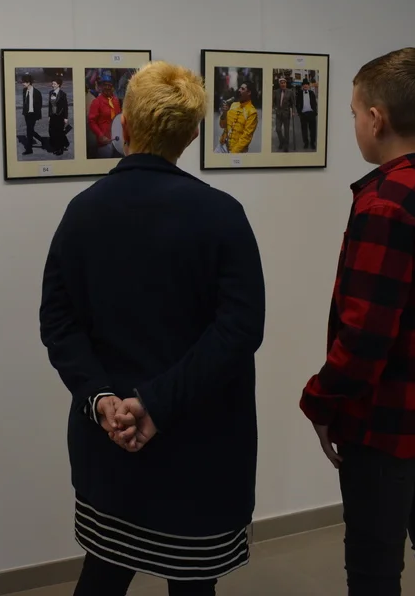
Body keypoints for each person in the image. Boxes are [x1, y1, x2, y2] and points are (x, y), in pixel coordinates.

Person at [41, 61, 265, 596]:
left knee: (103, 573)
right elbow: (239, 331)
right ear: (192, 135)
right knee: (192, 585)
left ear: (125, 121)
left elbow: (58, 322)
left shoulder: (83, 211)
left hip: (110, 442)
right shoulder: (222, 215)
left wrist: (102, 400)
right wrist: (155, 404)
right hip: (199, 447)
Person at [300, 47, 415, 596]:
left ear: (376, 118)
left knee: (374, 563)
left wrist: (320, 401)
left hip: (386, 415)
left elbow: (365, 335)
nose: (355, 124)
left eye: (354, 113)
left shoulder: (385, 204)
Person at [219, 81, 259, 153]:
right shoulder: (233, 105)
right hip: (222, 146)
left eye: (242, 89)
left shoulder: (252, 112)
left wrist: (233, 153)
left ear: (249, 92)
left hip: (236, 151)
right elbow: (222, 125)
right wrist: (224, 113)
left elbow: (246, 137)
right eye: (240, 88)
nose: (239, 90)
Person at [86, 78, 121, 159]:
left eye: (110, 85)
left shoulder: (116, 100)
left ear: (113, 88)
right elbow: (92, 121)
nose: (107, 87)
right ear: (101, 87)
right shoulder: (97, 102)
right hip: (104, 141)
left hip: (117, 139)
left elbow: (118, 118)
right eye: (105, 85)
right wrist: (100, 135)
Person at [21, 74, 47, 155]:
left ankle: (29, 149)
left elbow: (39, 105)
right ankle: (43, 140)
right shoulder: (24, 91)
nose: (22, 84)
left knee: (29, 131)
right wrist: (25, 111)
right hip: (27, 114)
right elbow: (25, 102)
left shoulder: (37, 92)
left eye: (24, 82)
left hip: (33, 114)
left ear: (29, 83)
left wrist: (36, 115)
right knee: (30, 130)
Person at [47, 77, 70, 156]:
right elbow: (50, 105)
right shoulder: (51, 93)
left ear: (58, 85)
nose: (52, 85)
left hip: (60, 116)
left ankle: (60, 149)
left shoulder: (62, 94)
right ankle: (60, 144)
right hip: (52, 115)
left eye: (54, 84)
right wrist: (49, 115)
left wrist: (66, 117)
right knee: (52, 131)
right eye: (52, 84)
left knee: (59, 133)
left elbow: (65, 106)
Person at [272, 76, 293, 152]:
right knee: (278, 129)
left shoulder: (290, 92)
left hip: (286, 113)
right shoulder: (276, 92)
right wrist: (274, 108)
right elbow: (273, 101)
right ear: (279, 84)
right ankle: (281, 141)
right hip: (278, 113)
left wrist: (293, 111)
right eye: (281, 83)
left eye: (284, 83)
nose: (283, 84)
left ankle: (286, 145)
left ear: (286, 83)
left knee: (286, 131)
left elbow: (293, 103)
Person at [297, 79, 318, 150]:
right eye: (304, 84)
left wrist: (314, 112)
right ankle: (306, 143)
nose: (305, 85)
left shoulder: (312, 93)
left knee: (313, 130)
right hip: (303, 114)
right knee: (304, 130)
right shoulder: (299, 93)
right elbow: (297, 104)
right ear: (302, 86)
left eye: (306, 84)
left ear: (308, 86)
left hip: (311, 113)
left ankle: (312, 143)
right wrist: (299, 113)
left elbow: (315, 103)